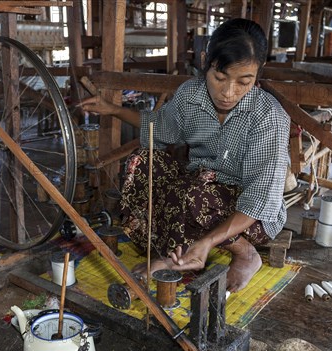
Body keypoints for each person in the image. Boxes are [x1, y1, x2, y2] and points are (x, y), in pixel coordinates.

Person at [79, 18, 290, 293]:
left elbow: (260, 198)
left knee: (194, 195)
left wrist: (206, 242)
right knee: (143, 163)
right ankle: (183, 252)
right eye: (220, 77)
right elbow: (160, 129)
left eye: (243, 82)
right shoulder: (191, 95)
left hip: (252, 213)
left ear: (258, 73)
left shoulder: (268, 117)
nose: (228, 93)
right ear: (206, 61)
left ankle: (245, 253)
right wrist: (113, 109)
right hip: (200, 189)